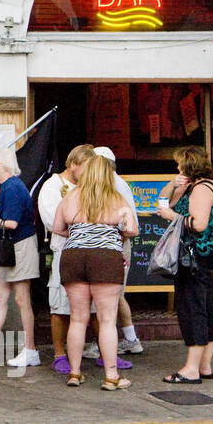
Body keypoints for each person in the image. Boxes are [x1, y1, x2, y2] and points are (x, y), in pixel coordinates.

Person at [52, 154, 138, 390]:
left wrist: (81, 234)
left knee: (78, 319)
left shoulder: (70, 197)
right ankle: (111, 376)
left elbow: (58, 227)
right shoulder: (116, 198)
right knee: (107, 319)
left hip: (74, 257)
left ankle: (74, 372)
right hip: (106, 259)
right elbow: (132, 230)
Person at [159, 146, 213, 384]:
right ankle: (204, 366)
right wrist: (173, 183)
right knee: (205, 309)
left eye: (179, 164)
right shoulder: (196, 187)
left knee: (192, 310)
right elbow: (164, 200)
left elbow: (198, 224)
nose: (177, 167)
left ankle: (191, 369)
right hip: (202, 258)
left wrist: (172, 217)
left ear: (189, 165)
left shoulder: (201, 190)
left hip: (194, 258)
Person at [36, 144, 96, 374]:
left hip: (89, 251)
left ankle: (97, 350)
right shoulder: (53, 186)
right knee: (60, 304)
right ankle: (60, 353)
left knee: (93, 305)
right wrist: (86, 227)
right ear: (74, 165)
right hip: (64, 250)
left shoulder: (89, 186)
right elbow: (53, 222)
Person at [0, 147, 41, 368]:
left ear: (5, 164)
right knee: (0, 296)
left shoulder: (13, 187)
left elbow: (12, 223)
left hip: (20, 245)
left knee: (21, 298)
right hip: (11, 246)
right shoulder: (8, 187)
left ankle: (31, 349)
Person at [93, 146, 145, 359]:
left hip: (117, 244)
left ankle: (109, 344)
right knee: (116, 295)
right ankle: (130, 339)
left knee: (112, 296)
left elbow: (128, 225)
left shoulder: (113, 184)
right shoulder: (116, 182)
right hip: (117, 243)